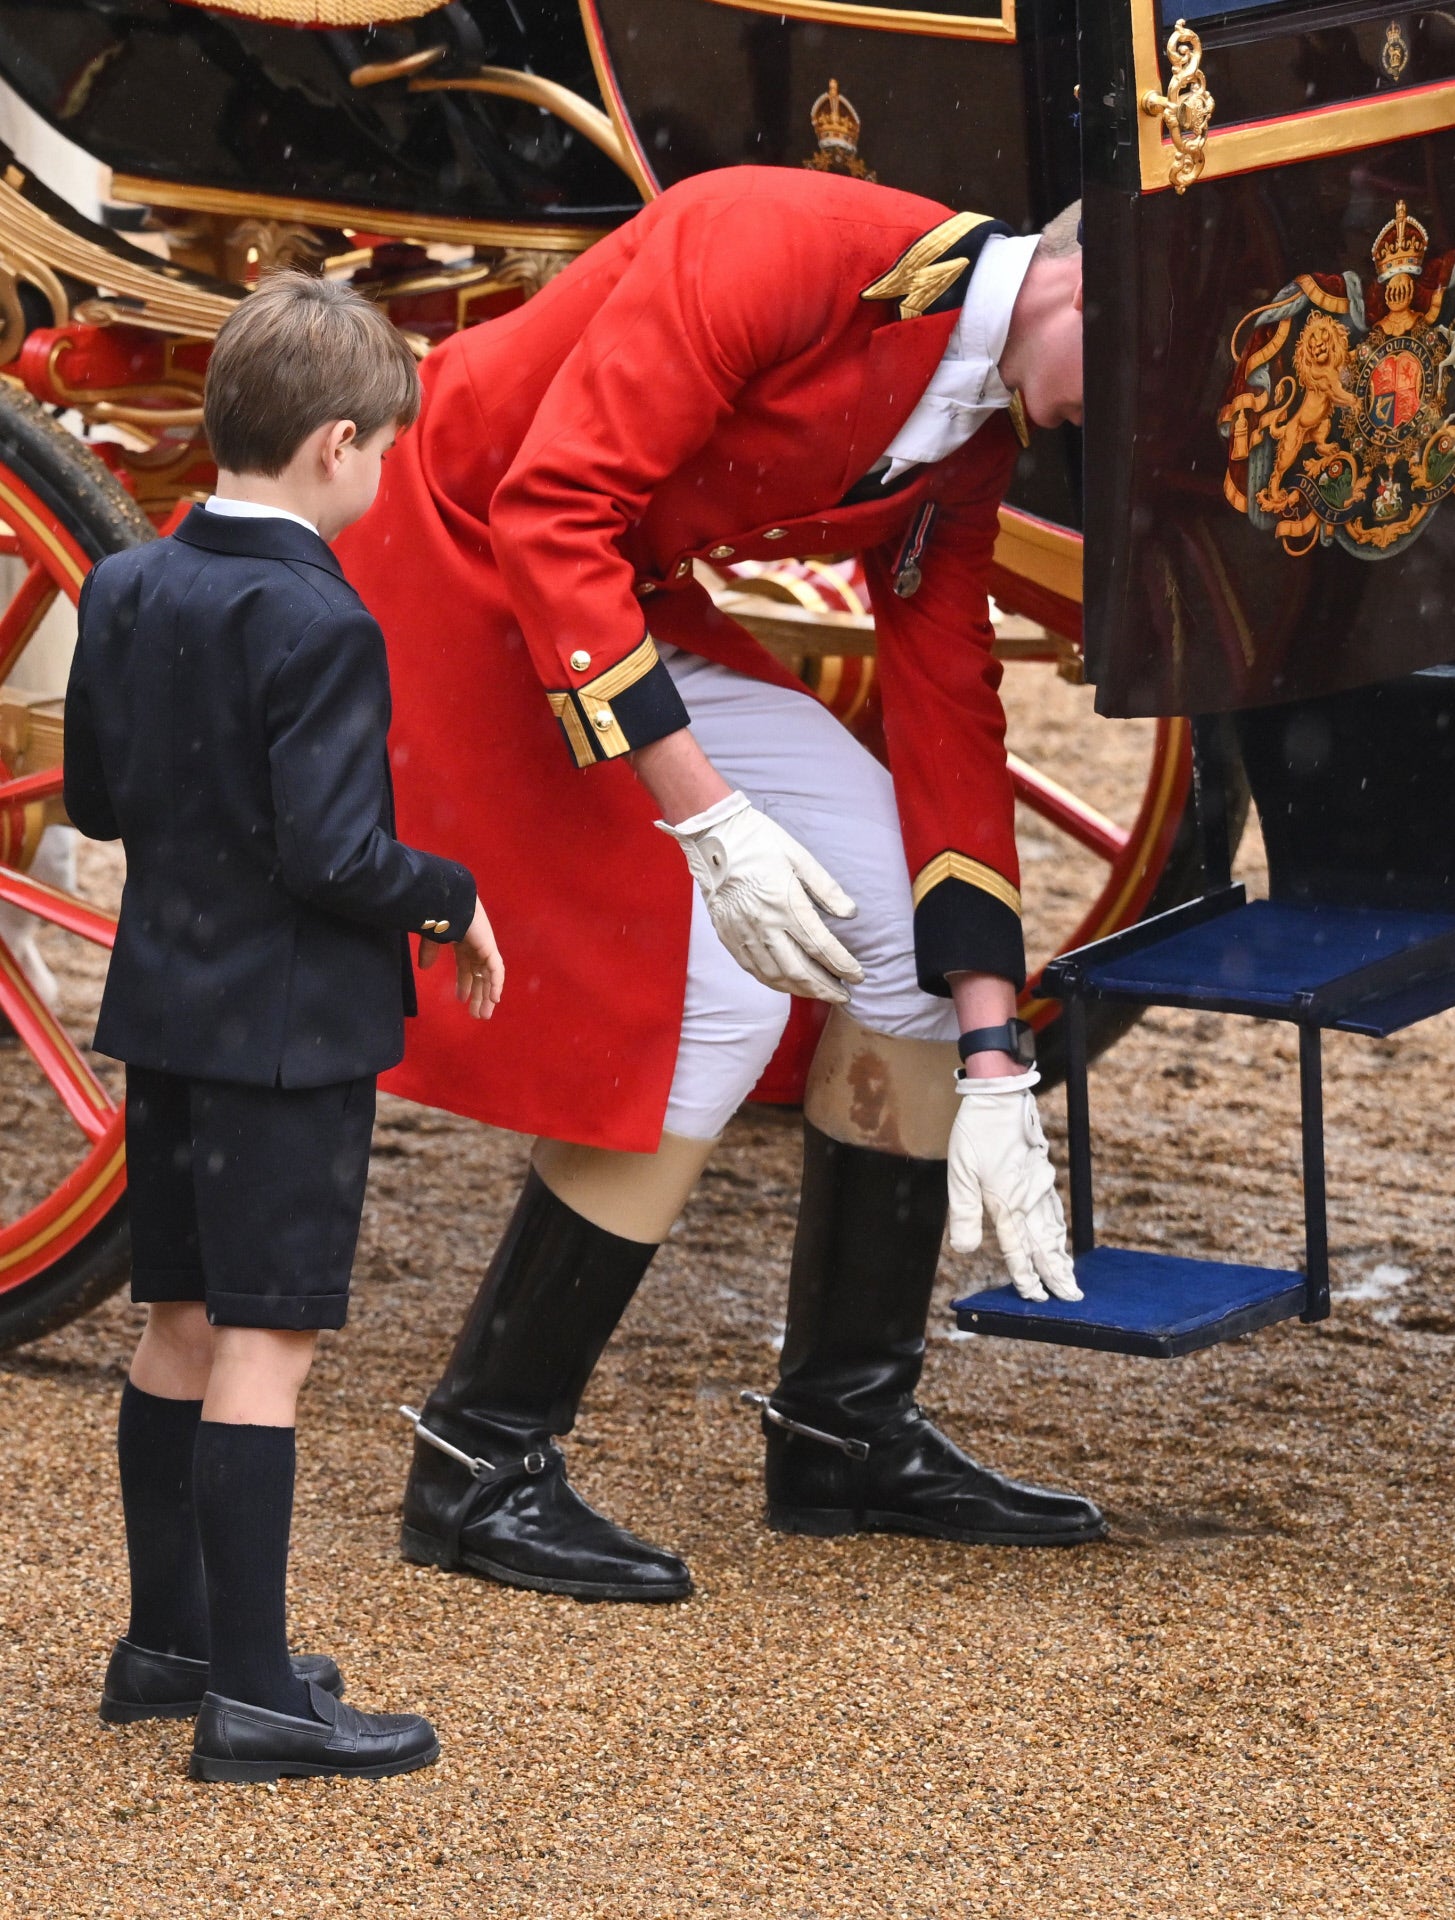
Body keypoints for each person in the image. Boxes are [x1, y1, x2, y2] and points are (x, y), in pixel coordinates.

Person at [336, 167, 1101, 1606]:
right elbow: (550, 508)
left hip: (609, 593)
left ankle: (842, 1430)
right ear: (1076, 284)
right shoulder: (774, 242)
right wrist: (715, 828)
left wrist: (994, 1053)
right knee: (722, 993)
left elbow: (948, 703)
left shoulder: (981, 420)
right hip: (452, 567)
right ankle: (478, 1457)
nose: (1105, 443)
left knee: (894, 930)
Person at [65, 272, 504, 1782]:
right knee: (270, 1344)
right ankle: (254, 1696)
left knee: (177, 1324)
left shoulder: (127, 586)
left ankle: (169, 1644)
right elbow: (333, 857)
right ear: (333, 445)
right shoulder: (319, 615)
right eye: (381, 450)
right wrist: (446, 897)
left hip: (169, 1010)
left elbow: (99, 806)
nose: (380, 475)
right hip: (289, 1034)